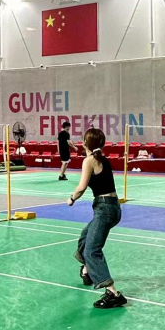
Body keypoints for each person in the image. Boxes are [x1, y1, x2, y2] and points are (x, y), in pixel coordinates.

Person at [68, 128, 127, 309]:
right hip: (113, 207)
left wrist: (71, 198)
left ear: (85, 143)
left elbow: (81, 187)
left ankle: (113, 293)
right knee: (85, 238)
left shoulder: (89, 160)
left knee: (92, 250)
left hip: (104, 209)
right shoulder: (102, 159)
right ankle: (87, 271)